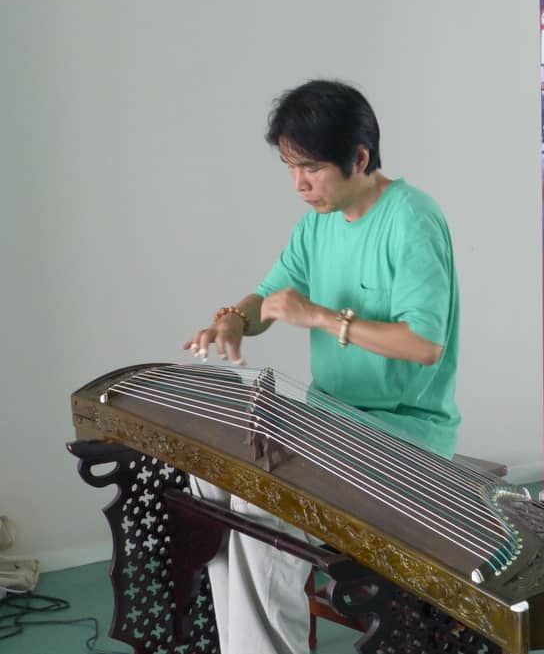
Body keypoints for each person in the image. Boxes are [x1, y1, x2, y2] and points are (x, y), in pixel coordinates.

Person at [181, 79, 461, 654]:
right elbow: (265, 298)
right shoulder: (317, 224)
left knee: (262, 497)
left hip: (406, 436)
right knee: (209, 477)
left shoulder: (412, 219)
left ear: (359, 157)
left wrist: (324, 318)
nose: (299, 184)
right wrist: (233, 318)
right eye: (289, 167)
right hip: (332, 424)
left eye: (310, 167)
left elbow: (424, 344)